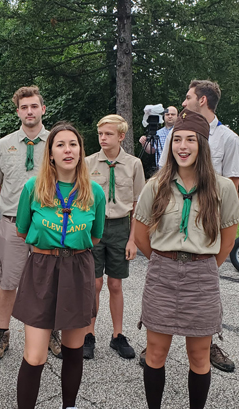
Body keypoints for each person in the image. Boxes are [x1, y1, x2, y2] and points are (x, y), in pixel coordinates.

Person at [134, 109, 239, 408]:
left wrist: (201, 266)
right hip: (162, 276)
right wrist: (166, 260)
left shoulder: (222, 188)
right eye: (177, 139)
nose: (182, 146)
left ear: (202, 145)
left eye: (190, 140)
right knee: (155, 353)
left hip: (201, 278)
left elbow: (228, 239)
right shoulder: (156, 185)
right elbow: (141, 235)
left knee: (199, 355)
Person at [13, 122, 106, 409]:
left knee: (73, 348)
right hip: (42, 267)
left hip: (77, 269)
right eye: (61, 145)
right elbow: (21, 229)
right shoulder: (33, 188)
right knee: (35, 354)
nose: (68, 150)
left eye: (73, 144)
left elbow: (95, 235)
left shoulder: (94, 192)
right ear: (50, 153)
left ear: (81, 151)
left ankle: (70, 405)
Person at [156, 80, 239, 372]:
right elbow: (165, 176)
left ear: (202, 100)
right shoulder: (174, 135)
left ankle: (208, 342)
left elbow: (230, 186)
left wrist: (209, 260)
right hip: (173, 226)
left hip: (207, 236)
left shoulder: (229, 140)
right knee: (160, 322)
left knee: (204, 308)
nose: (183, 102)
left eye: (188, 97)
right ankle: (159, 338)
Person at [0, 86, 62, 361]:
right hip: (11, 225)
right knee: (8, 282)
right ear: (17, 111)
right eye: (24, 107)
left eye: (34, 106)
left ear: (43, 109)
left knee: (50, 281)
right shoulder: (2, 145)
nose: (29, 111)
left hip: (50, 225)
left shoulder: (57, 143)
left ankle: (51, 331)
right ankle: (2, 333)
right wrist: (14, 212)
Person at [83, 115, 145, 360]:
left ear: (121, 136)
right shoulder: (88, 163)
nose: (103, 138)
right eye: (100, 134)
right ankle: (89, 333)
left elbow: (137, 205)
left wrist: (133, 240)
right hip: (94, 228)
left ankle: (117, 335)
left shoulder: (133, 164)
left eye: (108, 134)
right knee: (94, 283)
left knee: (115, 284)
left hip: (121, 227)